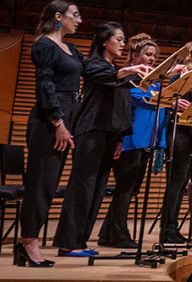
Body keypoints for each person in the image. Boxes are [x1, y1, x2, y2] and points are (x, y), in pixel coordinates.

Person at [55, 24, 151, 255]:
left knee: (97, 190)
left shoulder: (115, 70)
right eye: (118, 39)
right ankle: (68, 242)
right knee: (83, 187)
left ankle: (79, 242)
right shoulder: (93, 66)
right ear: (104, 42)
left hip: (109, 134)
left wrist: (120, 138)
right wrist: (129, 71)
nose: (122, 43)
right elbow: (108, 77)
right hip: (92, 131)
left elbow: (123, 102)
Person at [18, 0, 84, 268]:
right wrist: (58, 123)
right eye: (75, 15)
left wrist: (128, 70)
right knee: (40, 184)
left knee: (50, 183)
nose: (79, 20)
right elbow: (44, 87)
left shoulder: (71, 49)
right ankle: (29, 244)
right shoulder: (44, 45)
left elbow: (90, 73)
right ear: (59, 16)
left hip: (67, 117)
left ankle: (29, 243)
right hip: (49, 121)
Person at [101, 34, 165, 250]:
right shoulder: (129, 79)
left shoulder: (151, 81)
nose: (152, 59)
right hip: (129, 139)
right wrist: (165, 100)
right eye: (148, 55)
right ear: (135, 56)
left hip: (146, 139)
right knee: (125, 188)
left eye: (155, 56)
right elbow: (139, 99)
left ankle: (107, 232)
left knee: (131, 188)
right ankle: (118, 234)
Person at [157, 42, 192, 246]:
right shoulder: (179, 78)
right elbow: (167, 101)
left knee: (181, 186)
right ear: (188, 57)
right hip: (177, 133)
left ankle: (172, 227)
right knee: (175, 183)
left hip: (191, 134)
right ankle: (168, 229)